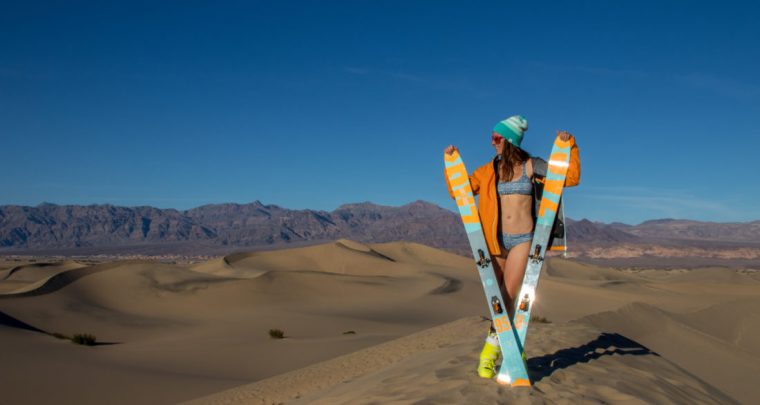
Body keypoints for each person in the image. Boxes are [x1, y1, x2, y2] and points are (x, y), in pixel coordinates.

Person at [444, 115, 581, 379]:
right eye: (492, 137)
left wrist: (569, 146)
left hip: (523, 240)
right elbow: (459, 191)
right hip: (495, 243)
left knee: (506, 296)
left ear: (509, 141)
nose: (492, 142)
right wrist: (452, 164)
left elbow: (569, 177)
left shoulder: (532, 166)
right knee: (498, 300)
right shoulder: (487, 171)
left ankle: (489, 351)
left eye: (496, 138)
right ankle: (513, 349)